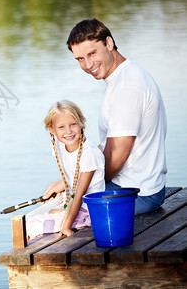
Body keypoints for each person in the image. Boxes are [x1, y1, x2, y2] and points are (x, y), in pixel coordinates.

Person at [44, 18, 167, 215]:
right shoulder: (124, 76)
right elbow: (107, 147)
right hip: (137, 186)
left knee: (56, 212)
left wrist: (75, 186)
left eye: (92, 53)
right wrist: (71, 183)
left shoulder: (127, 89)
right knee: (62, 199)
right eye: (80, 59)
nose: (87, 64)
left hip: (135, 193)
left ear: (109, 43)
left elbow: (116, 158)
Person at [26, 100, 105, 240]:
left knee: (32, 224)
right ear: (52, 129)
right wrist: (65, 190)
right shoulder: (59, 145)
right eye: (61, 127)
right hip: (73, 203)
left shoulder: (89, 155)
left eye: (73, 124)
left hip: (90, 211)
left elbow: (80, 194)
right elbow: (71, 178)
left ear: (81, 123)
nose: (68, 131)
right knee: (35, 220)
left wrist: (66, 226)